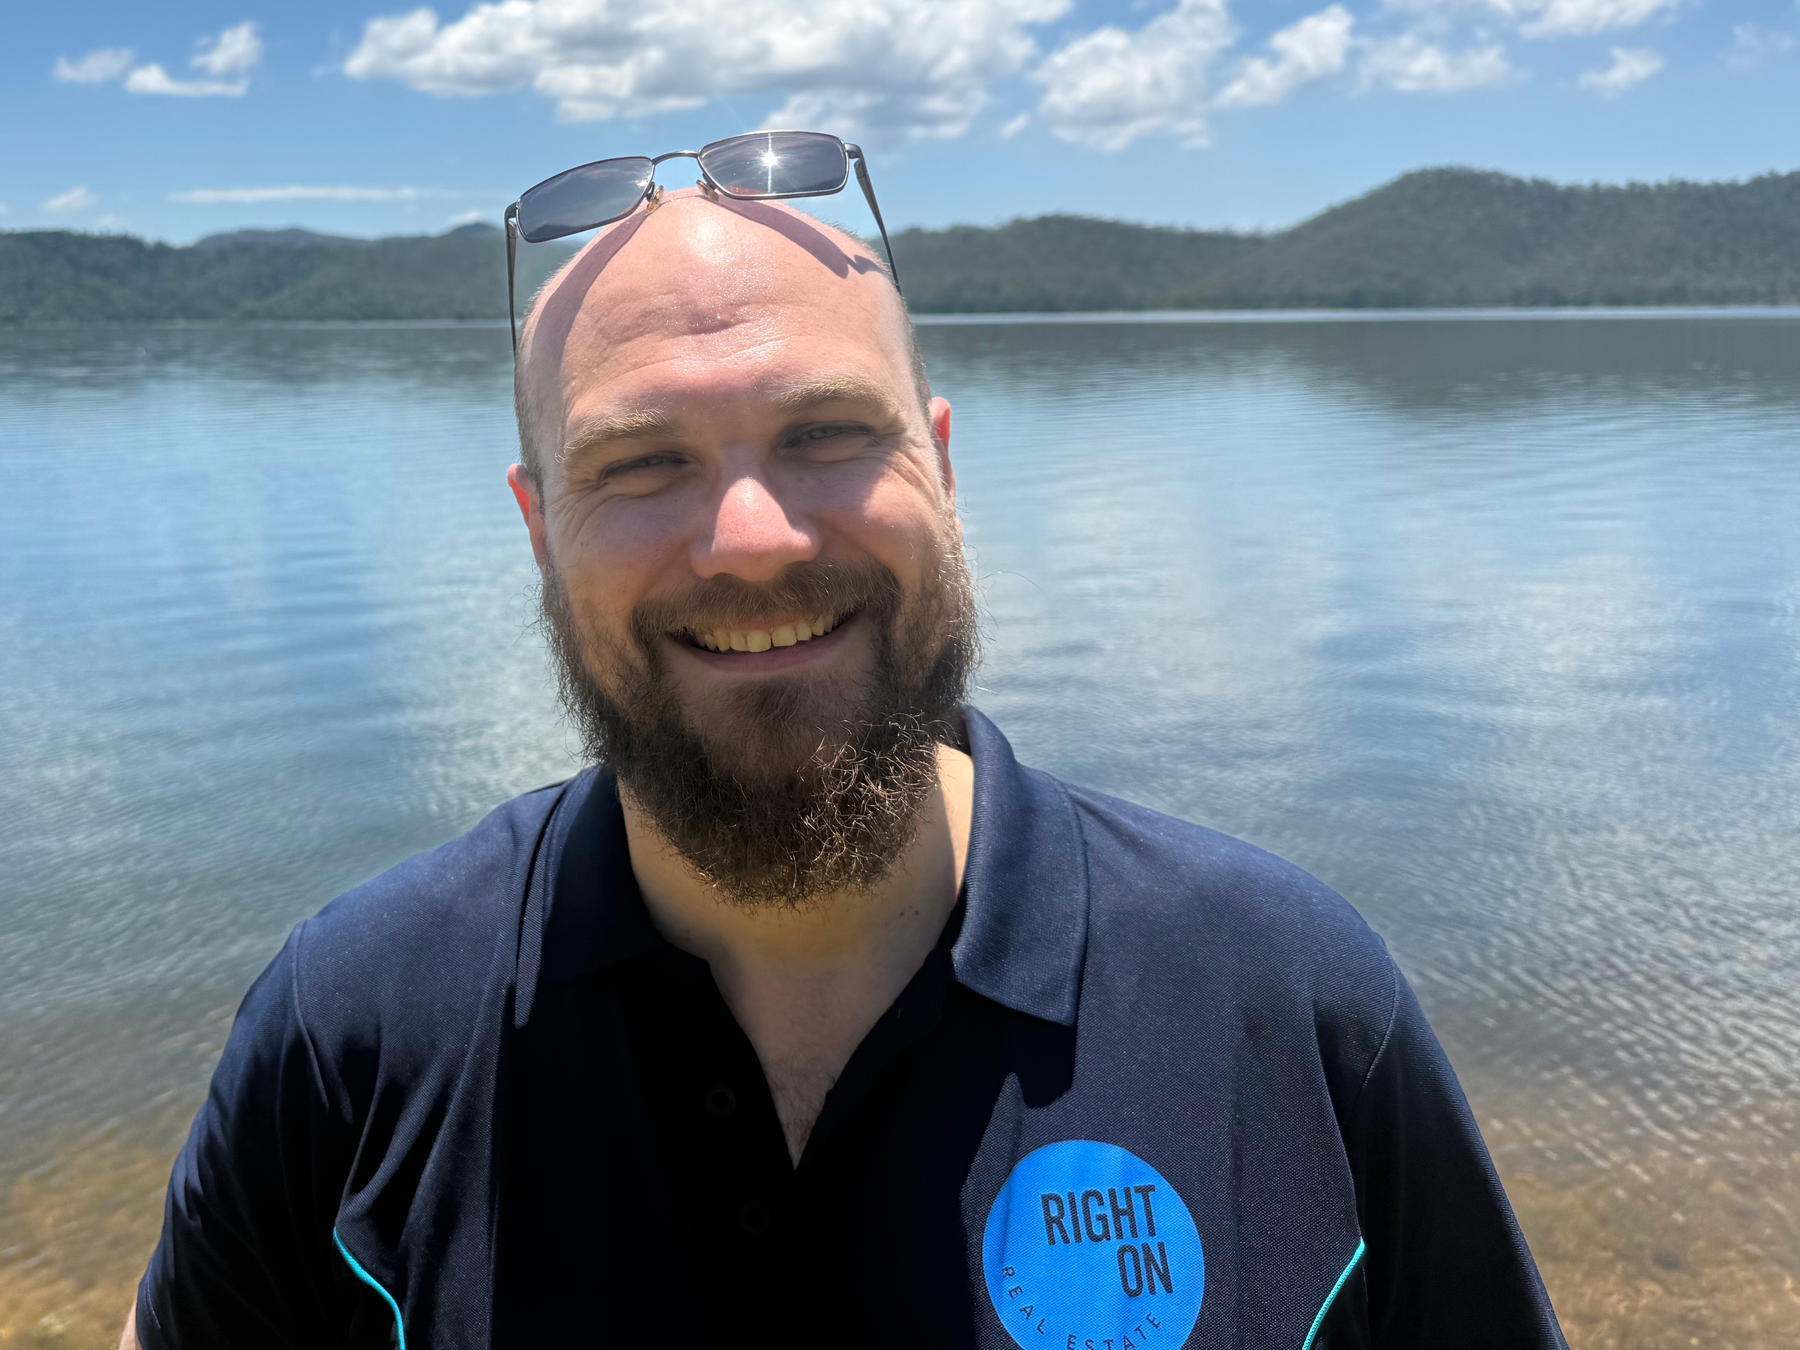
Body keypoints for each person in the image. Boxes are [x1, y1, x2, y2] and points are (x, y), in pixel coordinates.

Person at [124, 186, 1567, 1350]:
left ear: (941, 468)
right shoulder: (348, 1038)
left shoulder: (1290, 1010)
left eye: (828, 434)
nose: (753, 535)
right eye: (640, 463)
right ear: (538, 527)